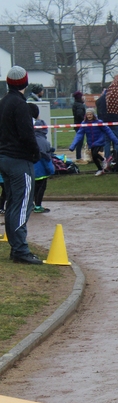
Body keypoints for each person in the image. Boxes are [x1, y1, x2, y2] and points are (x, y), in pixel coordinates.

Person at [0, 66, 43, 264]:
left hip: (4, 158)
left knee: (12, 204)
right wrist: (36, 153)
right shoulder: (20, 105)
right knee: (23, 204)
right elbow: (27, 135)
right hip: (19, 160)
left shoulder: (3, 103)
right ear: (25, 82)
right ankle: (20, 250)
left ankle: (16, 247)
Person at [69, 107, 118, 176]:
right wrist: (73, 146)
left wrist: (115, 141)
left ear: (93, 115)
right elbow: (79, 134)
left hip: (99, 141)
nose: (89, 116)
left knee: (95, 153)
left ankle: (103, 160)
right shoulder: (84, 123)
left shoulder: (99, 122)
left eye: (90, 114)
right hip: (91, 143)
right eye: (88, 114)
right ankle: (100, 169)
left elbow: (108, 131)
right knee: (94, 157)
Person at [30, 103, 56, 214]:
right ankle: (38, 206)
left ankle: (31, 204)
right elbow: (46, 158)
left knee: (32, 188)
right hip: (41, 171)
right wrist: (51, 170)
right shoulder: (43, 141)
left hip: (31, 170)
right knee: (41, 188)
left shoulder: (30, 138)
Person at [95, 88, 118, 164]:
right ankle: (117, 157)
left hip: (105, 122)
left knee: (107, 142)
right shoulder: (116, 98)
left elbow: (98, 108)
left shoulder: (100, 100)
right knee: (117, 140)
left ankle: (107, 159)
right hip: (115, 121)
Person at [71, 91, 87, 163]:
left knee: (80, 141)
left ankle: (79, 156)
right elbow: (79, 114)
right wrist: (85, 119)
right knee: (80, 141)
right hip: (80, 125)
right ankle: (79, 157)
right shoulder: (79, 105)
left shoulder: (75, 104)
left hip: (77, 124)